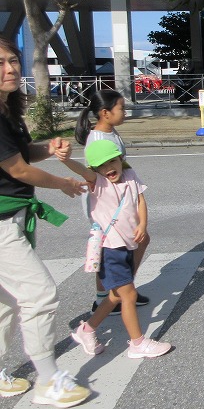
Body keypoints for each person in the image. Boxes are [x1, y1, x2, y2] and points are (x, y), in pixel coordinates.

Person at [0, 37, 90, 407]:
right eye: (0, 63)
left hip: (12, 217)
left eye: (12, 60)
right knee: (40, 294)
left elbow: (21, 154)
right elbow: (18, 170)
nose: (10, 68)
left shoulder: (7, 110)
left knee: (7, 302)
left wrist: (49, 147)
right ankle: (49, 381)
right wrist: (63, 183)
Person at [59, 140, 171, 358]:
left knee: (115, 296)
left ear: (121, 159)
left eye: (112, 161)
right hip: (110, 249)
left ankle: (87, 330)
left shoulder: (130, 176)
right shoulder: (98, 182)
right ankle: (137, 343)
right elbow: (81, 170)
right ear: (95, 169)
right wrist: (66, 160)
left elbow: (140, 201)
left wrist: (142, 224)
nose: (108, 168)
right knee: (128, 294)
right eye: (101, 165)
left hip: (127, 244)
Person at [76, 89, 150, 314]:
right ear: (105, 113)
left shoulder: (110, 132)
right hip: (106, 203)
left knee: (132, 242)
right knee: (110, 248)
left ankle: (122, 290)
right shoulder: (97, 139)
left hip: (122, 198)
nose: (125, 112)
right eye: (121, 108)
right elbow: (97, 176)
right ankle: (108, 297)